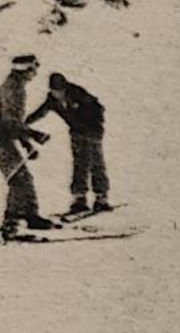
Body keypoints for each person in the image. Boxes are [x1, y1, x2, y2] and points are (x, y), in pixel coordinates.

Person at [25, 73, 111, 215]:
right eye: (54, 91)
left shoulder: (78, 93)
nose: (57, 94)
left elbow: (99, 108)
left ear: (65, 88)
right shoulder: (51, 99)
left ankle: (101, 198)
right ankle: (79, 199)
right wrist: (23, 123)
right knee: (80, 163)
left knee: (96, 163)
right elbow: (40, 112)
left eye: (60, 91)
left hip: (92, 131)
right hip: (76, 132)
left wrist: (93, 125)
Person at [0, 55, 56, 238]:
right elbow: (8, 121)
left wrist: (26, 144)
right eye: (34, 68)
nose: (36, 72)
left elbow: (13, 122)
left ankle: (31, 216)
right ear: (26, 70)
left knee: (23, 176)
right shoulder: (13, 90)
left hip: (5, 137)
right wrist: (34, 135)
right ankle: (10, 225)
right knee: (19, 178)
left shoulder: (16, 86)